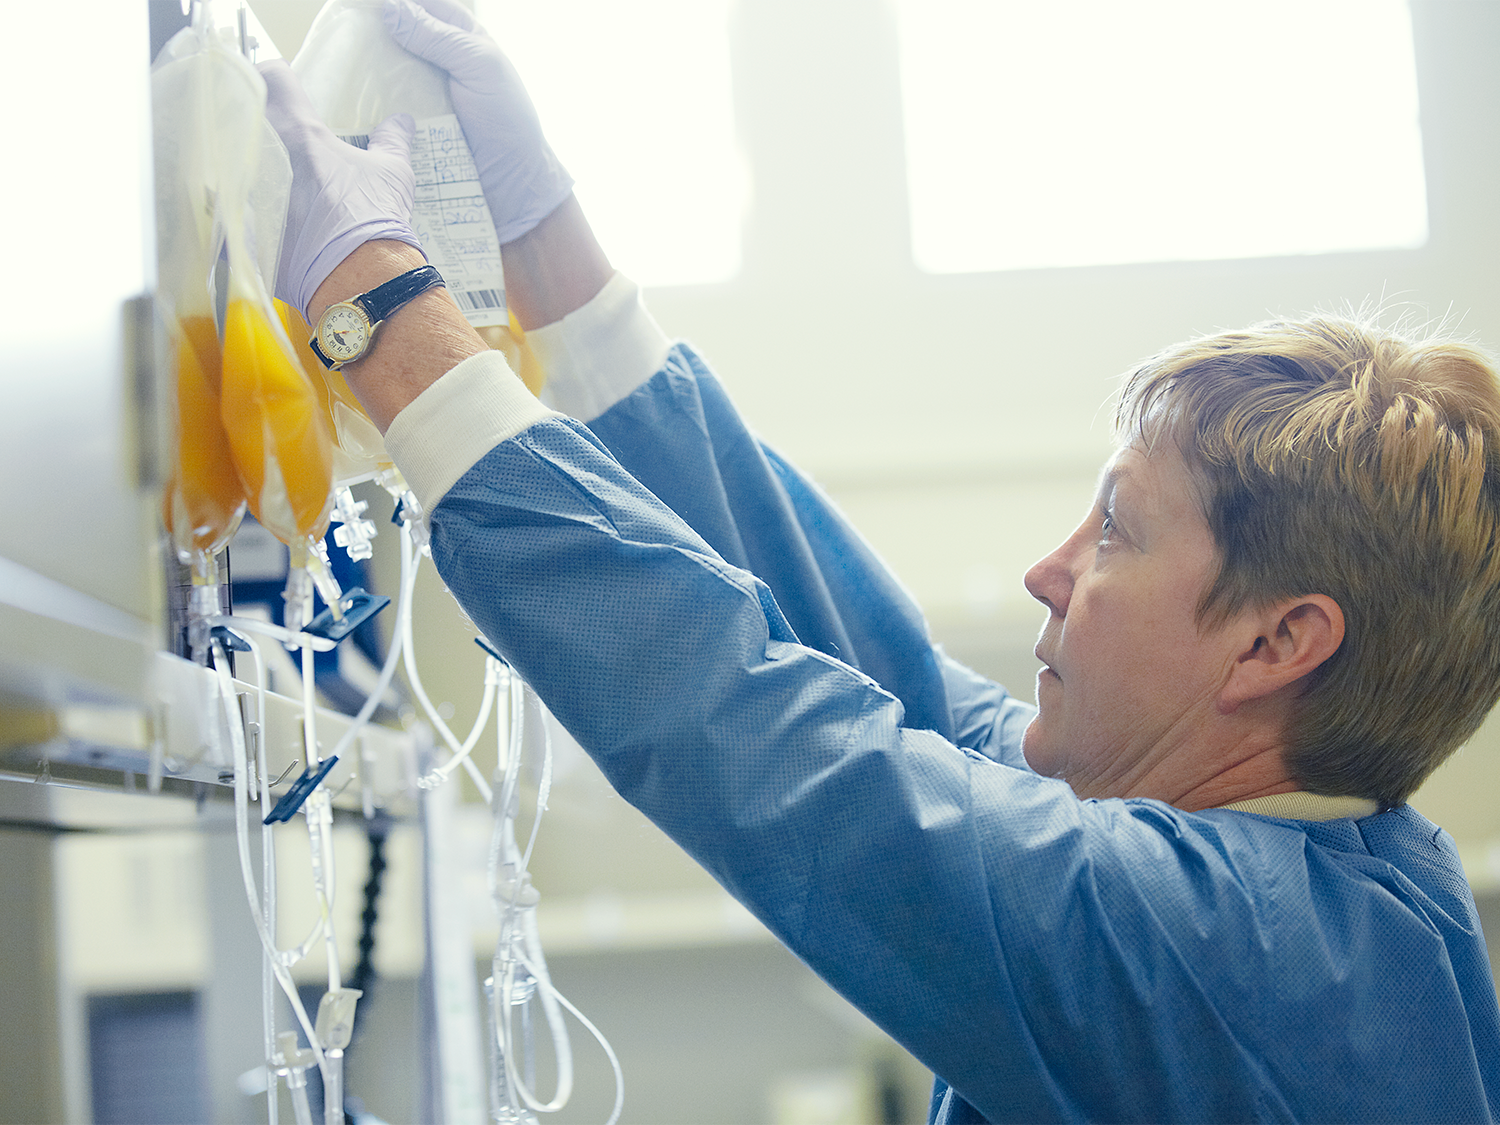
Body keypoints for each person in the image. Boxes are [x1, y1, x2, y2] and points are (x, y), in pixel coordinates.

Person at [257, 2, 1500, 1120]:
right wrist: (556, 263)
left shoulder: (1225, 950)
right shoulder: (1346, 887)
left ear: (1279, 642)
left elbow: (773, 740)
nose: (1048, 573)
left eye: (1116, 531)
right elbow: (884, 683)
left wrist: (375, 304)